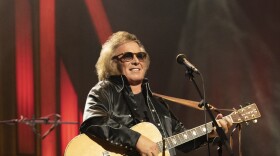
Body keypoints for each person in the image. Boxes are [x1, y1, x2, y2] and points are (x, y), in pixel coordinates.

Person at [80, 31, 232, 156]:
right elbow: (94, 121)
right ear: (112, 63)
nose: (136, 60)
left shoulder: (158, 104)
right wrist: (136, 140)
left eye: (140, 56)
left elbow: (183, 140)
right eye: (128, 56)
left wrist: (210, 132)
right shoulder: (105, 91)